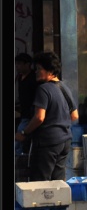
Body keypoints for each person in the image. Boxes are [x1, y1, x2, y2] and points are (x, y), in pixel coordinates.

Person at [15, 51, 79, 181]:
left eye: (39, 69)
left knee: (40, 183)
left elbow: (39, 117)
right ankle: (59, 202)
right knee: (58, 182)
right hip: (65, 141)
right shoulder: (64, 87)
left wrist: (24, 132)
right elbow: (74, 116)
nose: (36, 72)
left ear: (50, 71)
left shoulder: (43, 89)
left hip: (47, 142)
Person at [15, 52, 37, 155]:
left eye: (19, 63)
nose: (17, 66)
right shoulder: (20, 78)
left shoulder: (34, 78)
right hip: (23, 113)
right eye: (16, 64)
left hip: (31, 114)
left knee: (19, 139)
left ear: (27, 64)